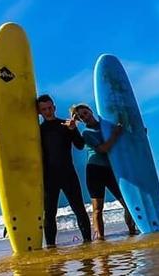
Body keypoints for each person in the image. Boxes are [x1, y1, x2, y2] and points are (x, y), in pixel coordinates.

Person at [70, 103, 137, 240]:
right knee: (98, 208)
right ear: (80, 121)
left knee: (127, 203)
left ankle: (132, 231)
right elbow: (102, 149)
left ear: (90, 111)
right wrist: (115, 135)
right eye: (81, 117)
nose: (85, 117)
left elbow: (123, 136)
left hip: (111, 170)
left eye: (85, 113)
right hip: (95, 172)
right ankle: (100, 238)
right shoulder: (86, 133)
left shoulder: (106, 126)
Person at [36, 94, 91, 247]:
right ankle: (51, 248)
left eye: (49, 107)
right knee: (49, 214)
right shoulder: (38, 131)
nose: (48, 111)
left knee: (79, 209)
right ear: (39, 112)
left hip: (68, 174)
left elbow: (80, 145)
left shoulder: (66, 125)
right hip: (49, 178)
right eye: (44, 109)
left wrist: (73, 130)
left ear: (54, 106)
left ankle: (88, 244)